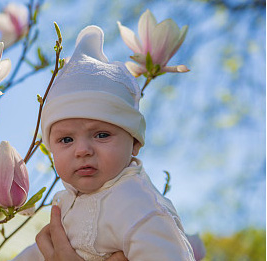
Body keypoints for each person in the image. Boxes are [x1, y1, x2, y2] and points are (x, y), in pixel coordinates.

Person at [12, 25, 196, 260]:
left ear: (135, 143)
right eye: (66, 139)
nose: (82, 150)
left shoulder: (138, 207)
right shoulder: (66, 204)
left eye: (101, 135)